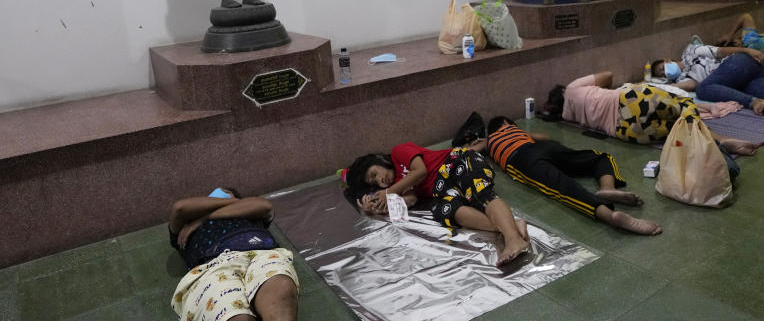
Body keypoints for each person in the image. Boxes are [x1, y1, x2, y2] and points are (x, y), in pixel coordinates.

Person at [344, 142, 530, 266]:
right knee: (444, 210)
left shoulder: (398, 152)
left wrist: (388, 192)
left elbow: (420, 171)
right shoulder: (397, 186)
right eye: (373, 182)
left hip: (457, 162)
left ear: (378, 161)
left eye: (374, 173)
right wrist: (378, 206)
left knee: (479, 194)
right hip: (443, 189)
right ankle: (511, 224)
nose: (379, 179)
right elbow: (412, 199)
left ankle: (513, 240)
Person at [480, 116, 662, 235]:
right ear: (509, 124)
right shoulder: (519, 132)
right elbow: (544, 136)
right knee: (599, 158)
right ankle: (607, 188)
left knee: (562, 186)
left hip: (520, 158)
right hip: (544, 148)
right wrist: (522, 132)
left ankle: (609, 215)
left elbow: (466, 150)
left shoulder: (490, 141)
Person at [543, 72, 758, 155]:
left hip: (627, 132)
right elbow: (608, 75)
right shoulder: (571, 87)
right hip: (630, 101)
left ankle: (718, 144)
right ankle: (723, 139)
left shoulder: (565, 116)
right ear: (562, 91)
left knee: (676, 128)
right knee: (684, 105)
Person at [168, 188, 299, 321]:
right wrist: (209, 212)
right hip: (212, 267)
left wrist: (204, 218)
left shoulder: (250, 213)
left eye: (225, 191)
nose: (216, 194)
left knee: (282, 290)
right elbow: (180, 208)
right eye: (209, 199)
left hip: (261, 253)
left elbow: (264, 205)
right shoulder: (185, 228)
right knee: (237, 318)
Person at [652, 43, 764, 133]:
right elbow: (691, 84)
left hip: (739, 63)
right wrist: (664, 85)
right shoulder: (685, 77)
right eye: (662, 74)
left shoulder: (691, 51)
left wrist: (747, 51)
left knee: (704, 89)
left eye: (662, 67)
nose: (665, 72)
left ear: (668, 60)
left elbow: (720, 51)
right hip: (745, 80)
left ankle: (752, 102)